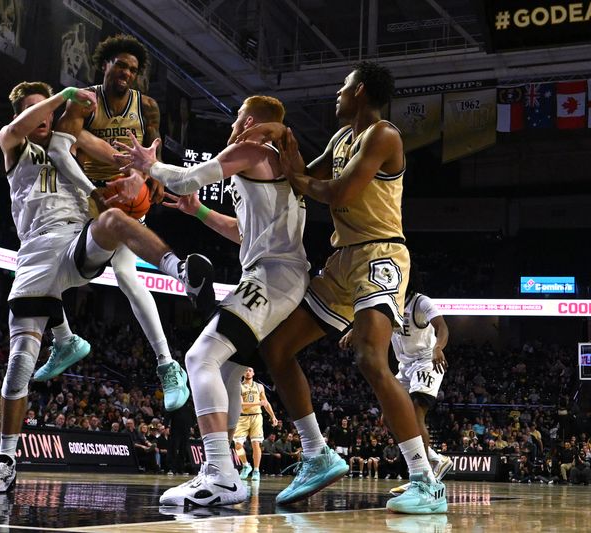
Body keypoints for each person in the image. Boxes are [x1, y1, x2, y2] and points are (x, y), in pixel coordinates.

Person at [0, 81, 214, 494]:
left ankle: (182, 272)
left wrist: (144, 173)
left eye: (45, 111)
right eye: (33, 110)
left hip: (74, 243)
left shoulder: (71, 145)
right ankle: (6, 461)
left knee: (114, 224)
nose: (43, 117)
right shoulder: (13, 145)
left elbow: (112, 155)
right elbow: (17, 127)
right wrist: (64, 95)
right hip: (34, 254)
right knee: (18, 366)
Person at [236, 61, 447, 513]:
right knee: (276, 349)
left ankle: (425, 480)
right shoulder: (340, 139)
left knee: (371, 358)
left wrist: (294, 172)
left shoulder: (383, 135)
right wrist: (270, 142)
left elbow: (337, 193)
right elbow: (294, 180)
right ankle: (316, 453)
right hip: (342, 259)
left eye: (343, 86)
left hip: (381, 254)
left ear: (362, 91)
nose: (337, 92)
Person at [117, 94, 323, 507]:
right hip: (278, 273)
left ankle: (220, 475)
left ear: (247, 120)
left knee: (199, 358)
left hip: (273, 276)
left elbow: (188, 177)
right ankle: (223, 473)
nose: (233, 124)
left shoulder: (250, 147)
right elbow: (246, 235)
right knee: (227, 369)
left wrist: (148, 165)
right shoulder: (275, 159)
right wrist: (198, 213)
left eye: (237, 118)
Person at [41, 34, 191, 413]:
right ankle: (64, 339)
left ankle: (167, 364)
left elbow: (154, 150)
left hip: (127, 199)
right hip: (84, 193)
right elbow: (58, 149)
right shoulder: (84, 100)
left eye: (134, 69)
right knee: (43, 267)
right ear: (104, 64)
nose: (127, 73)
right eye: (121, 65)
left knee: (126, 275)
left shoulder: (148, 106)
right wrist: (92, 189)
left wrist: (154, 180)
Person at [342, 264, 453, 493]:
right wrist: (355, 330)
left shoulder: (421, 301)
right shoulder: (391, 303)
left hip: (427, 361)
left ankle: (422, 477)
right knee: (389, 418)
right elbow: (372, 320)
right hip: (405, 366)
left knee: (414, 412)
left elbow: (443, 328)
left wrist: (438, 348)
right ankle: (433, 458)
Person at [233, 367, 278, 482]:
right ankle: (246, 465)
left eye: (250, 370)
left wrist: (273, 416)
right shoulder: (238, 386)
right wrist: (258, 402)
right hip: (242, 418)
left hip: (256, 417)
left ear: (253, 373)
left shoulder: (259, 386)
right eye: (245, 370)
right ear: (242, 372)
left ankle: (256, 470)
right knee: (237, 445)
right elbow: (242, 405)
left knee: (256, 444)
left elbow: (266, 403)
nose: (247, 372)